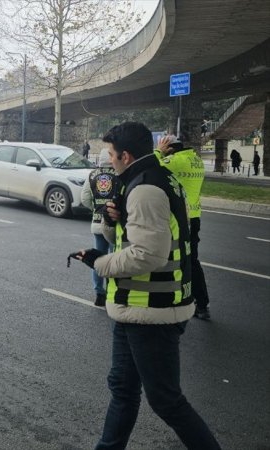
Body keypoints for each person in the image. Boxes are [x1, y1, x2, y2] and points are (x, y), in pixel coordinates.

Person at [71, 122, 220, 450]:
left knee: (166, 401)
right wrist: (113, 222)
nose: (108, 161)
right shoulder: (146, 180)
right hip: (135, 306)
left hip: (153, 309)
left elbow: (147, 255)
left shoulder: (145, 189)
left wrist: (99, 262)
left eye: (111, 154)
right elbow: (128, 238)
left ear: (125, 155)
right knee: (123, 390)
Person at [157, 134, 211, 319]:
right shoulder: (197, 160)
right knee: (192, 260)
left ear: (169, 148)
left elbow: (148, 167)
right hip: (195, 216)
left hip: (178, 217)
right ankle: (202, 304)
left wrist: (158, 152)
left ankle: (172, 299)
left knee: (171, 258)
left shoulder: (173, 161)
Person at [79, 148, 121, 306]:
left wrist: (96, 209)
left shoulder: (91, 175)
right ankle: (112, 292)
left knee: (98, 259)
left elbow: (84, 199)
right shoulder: (119, 175)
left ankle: (99, 292)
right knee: (114, 260)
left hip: (97, 224)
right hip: (114, 225)